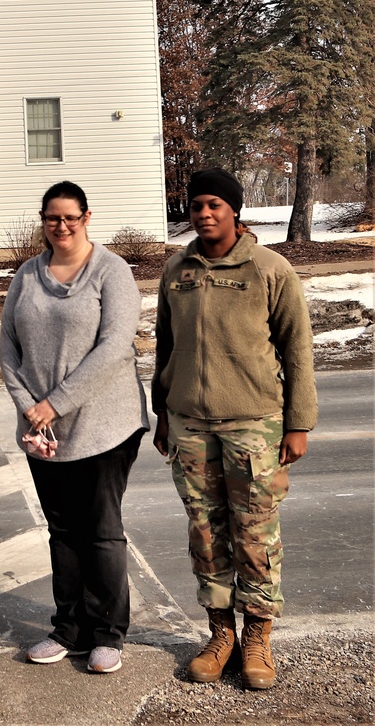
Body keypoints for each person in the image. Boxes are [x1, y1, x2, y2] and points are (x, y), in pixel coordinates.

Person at [152, 168, 317, 691]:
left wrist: (299, 424)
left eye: (214, 205)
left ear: (234, 211)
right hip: (189, 423)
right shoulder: (177, 270)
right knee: (206, 532)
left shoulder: (269, 268)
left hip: (253, 424)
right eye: (197, 204)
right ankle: (220, 633)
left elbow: (297, 350)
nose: (204, 213)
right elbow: (165, 347)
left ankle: (258, 638)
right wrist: (162, 413)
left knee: (255, 534)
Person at [0, 180, 148, 676]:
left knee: (100, 530)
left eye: (70, 217)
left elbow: (113, 348)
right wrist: (30, 408)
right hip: (43, 427)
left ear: (87, 217)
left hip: (105, 424)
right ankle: (69, 629)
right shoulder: (27, 273)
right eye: (51, 218)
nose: (60, 226)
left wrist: (54, 403)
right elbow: (6, 346)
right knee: (62, 532)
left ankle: (107, 633)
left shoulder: (112, 271)